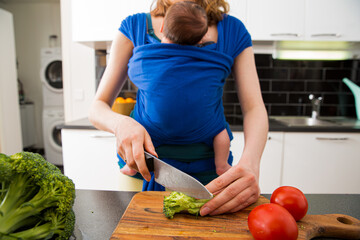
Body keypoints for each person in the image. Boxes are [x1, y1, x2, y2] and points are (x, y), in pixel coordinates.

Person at [89, 0, 269, 216]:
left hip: (211, 177)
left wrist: (251, 165)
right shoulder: (134, 27)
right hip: (143, 168)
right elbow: (97, 107)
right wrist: (121, 124)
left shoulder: (232, 30)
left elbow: (254, 108)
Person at [120, 1, 231, 177]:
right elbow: (221, 69)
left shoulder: (146, 57)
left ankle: (131, 166)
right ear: (201, 39)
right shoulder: (211, 61)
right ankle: (222, 164)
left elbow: (133, 72)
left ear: (162, 27)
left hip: (155, 126)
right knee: (221, 134)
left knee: (142, 130)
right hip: (204, 126)